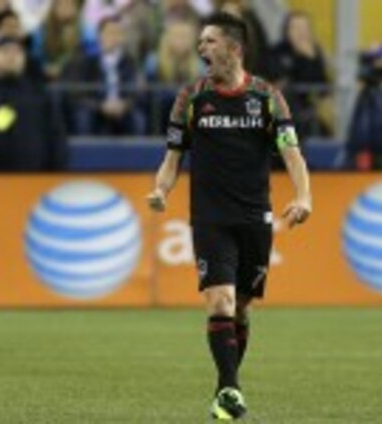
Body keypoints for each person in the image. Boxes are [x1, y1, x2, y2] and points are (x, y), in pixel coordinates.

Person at [146, 12, 312, 420]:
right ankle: (229, 389)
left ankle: (226, 386)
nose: (201, 47)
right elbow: (172, 158)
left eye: (210, 41)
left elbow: (292, 153)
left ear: (234, 49)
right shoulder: (191, 98)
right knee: (220, 300)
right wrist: (161, 189)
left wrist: (304, 196)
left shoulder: (267, 97)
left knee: (241, 306)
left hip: (255, 217)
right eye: (200, 41)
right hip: (210, 218)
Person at [0, 37, 68, 171]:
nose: (11, 56)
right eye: (5, 51)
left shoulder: (40, 95)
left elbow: (56, 137)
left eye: (17, 52)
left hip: (33, 176)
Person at [65, 16, 145, 135]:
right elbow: (79, 93)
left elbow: (137, 91)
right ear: (99, 35)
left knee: (138, 119)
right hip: (95, 108)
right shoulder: (87, 61)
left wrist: (124, 105)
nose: (113, 37)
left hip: (122, 109)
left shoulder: (130, 62)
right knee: (83, 117)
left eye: (118, 33)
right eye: (109, 33)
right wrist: (100, 106)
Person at [269, 12, 331, 139]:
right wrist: (300, 57)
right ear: (287, 31)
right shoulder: (276, 51)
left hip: (308, 111)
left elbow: (322, 87)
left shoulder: (314, 52)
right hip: (282, 111)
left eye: (305, 28)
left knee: (325, 132)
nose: (301, 32)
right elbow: (280, 78)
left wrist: (310, 59)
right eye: (296, 28)